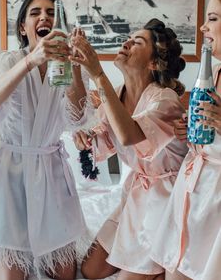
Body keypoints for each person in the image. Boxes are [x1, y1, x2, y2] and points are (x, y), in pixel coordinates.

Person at [71, 18, 188, 280]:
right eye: (129, 38)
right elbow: (107, 139)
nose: (126, 43)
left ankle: (161, 269)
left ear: (154, 63)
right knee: (90, 269)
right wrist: (87, 140)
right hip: (136, 193)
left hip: (167, 201)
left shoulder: (165, 100)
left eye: (138, 42)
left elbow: (127, 135)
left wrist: (97, 73)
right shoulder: (117, 94)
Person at [0, 0, 89, 280]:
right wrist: (32, 59)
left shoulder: (64, 68)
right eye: (35, 13)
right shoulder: (8, 60)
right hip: (11, 178)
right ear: (23, 27)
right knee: (9, 273)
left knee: (64, 272)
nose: (44, 17)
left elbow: (78, 117)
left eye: (51, 13)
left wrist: (76, 66)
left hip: (52, 173)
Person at [151, 0, 221, 280]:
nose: (204, 28)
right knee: (174, 270)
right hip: (192, 186)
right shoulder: (215, 72)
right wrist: (188, 135)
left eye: (213, 19)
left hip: (216, 203)